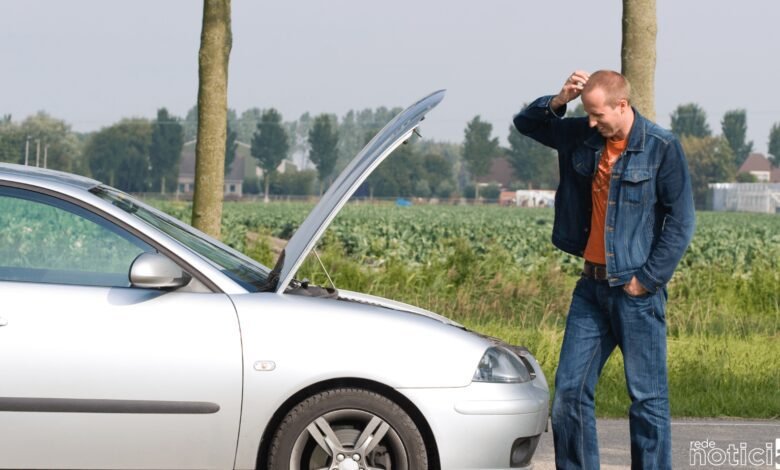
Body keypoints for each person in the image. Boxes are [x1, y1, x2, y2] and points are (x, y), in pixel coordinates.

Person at [513, 70, 695, 469]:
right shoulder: (582, 136)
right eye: (588, 115)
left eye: (598, 115)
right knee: (569, 395)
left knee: (647, 400)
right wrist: (560, 100)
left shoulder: (661, 147)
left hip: (636, 290)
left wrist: (645, 281)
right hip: (590, 289)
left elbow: (681, 223)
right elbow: (526, 123)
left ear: (622, 105)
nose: (592, 123)